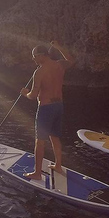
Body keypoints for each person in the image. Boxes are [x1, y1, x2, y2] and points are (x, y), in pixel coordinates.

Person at [20, 41, 74, 180]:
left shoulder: (39, 72)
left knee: (40, 141)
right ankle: (58, 165)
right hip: (59, 106)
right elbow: (71, 60)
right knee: (55, 137)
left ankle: (37, 173)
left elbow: (33, 96)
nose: (33, 59)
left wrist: (25, 93)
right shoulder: (60, 65)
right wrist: (59, 47)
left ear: (42, 55)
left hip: (46, 108)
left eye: (34, 56)